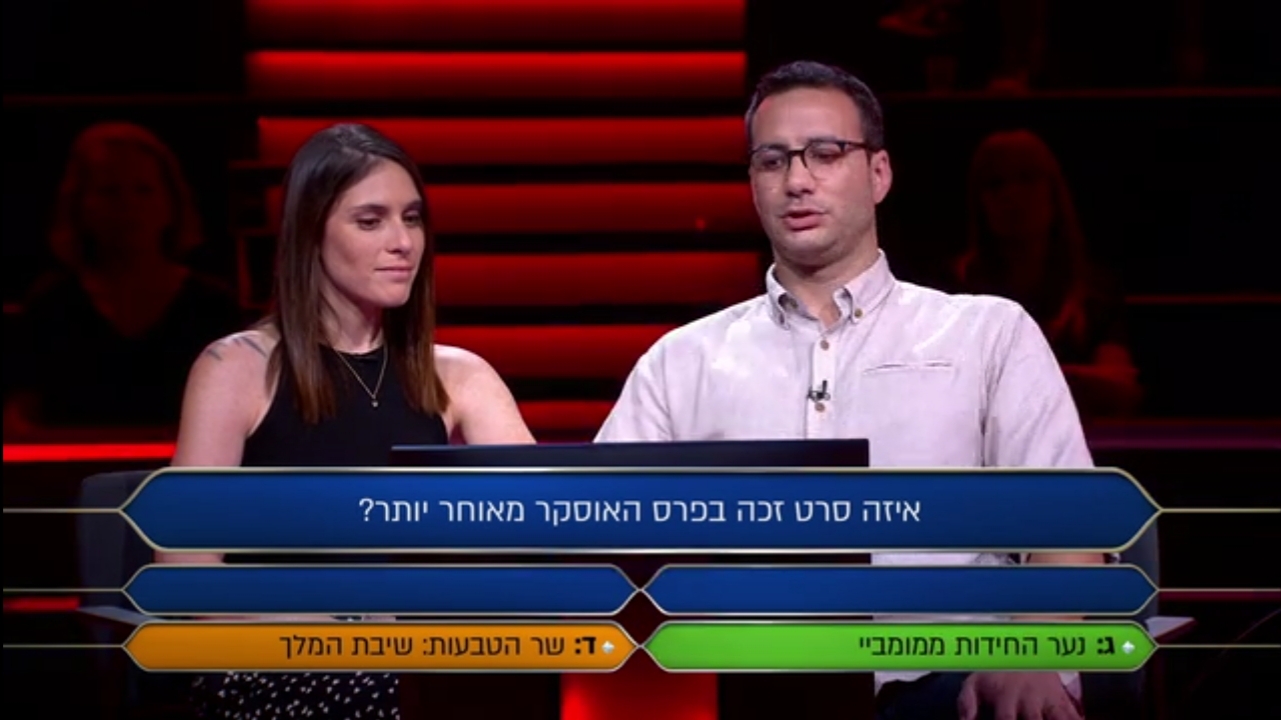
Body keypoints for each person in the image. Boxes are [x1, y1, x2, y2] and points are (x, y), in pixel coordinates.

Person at [596, 60, 1104, 720]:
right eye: (772, 161)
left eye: (825, 153)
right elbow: (603, 543)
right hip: (742, 685)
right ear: (753, 185)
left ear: (879, 173)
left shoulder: (986, 333)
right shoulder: (681, 361)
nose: (797, 180)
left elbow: (1068, 526)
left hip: (947, 684)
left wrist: (1033, 653)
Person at [156, 123, 535, 718]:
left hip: (419, 661)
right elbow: (186, 575)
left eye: (412, 219)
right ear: (311, 232)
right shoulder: (237, 368)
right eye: (370, 221)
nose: (402, 242)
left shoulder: (461, 376)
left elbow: (542, 537)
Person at [4, 121, 242, 432]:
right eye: (109, 192)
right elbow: (21, 412)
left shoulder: (212, 306)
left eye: (143, 190)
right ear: (79, 207)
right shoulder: (51, 304)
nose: (128, 206)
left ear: (170, 204)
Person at [955, 128, 1140, 418]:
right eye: (995, 184)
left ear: (1053, 192)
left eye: (1027, 179)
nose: (1012, 195)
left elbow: (1119, 387)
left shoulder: (1095, 290)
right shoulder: (953, 290)